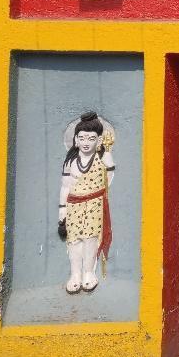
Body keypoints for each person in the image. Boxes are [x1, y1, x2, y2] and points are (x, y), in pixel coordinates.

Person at [59, 111, 115, 294]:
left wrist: (107, 151)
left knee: (91, 239)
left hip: (94, 204)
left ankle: (88, 272)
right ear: (75, 139)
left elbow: (109, 176)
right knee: (74, 241)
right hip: (74, 204)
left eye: (91, 138)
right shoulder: (71, 162)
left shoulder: (101, 158)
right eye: (82, 138)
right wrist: (62, 212)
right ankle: (75, 274)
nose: (85, 142)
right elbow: (65, 187)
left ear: (98, 140)